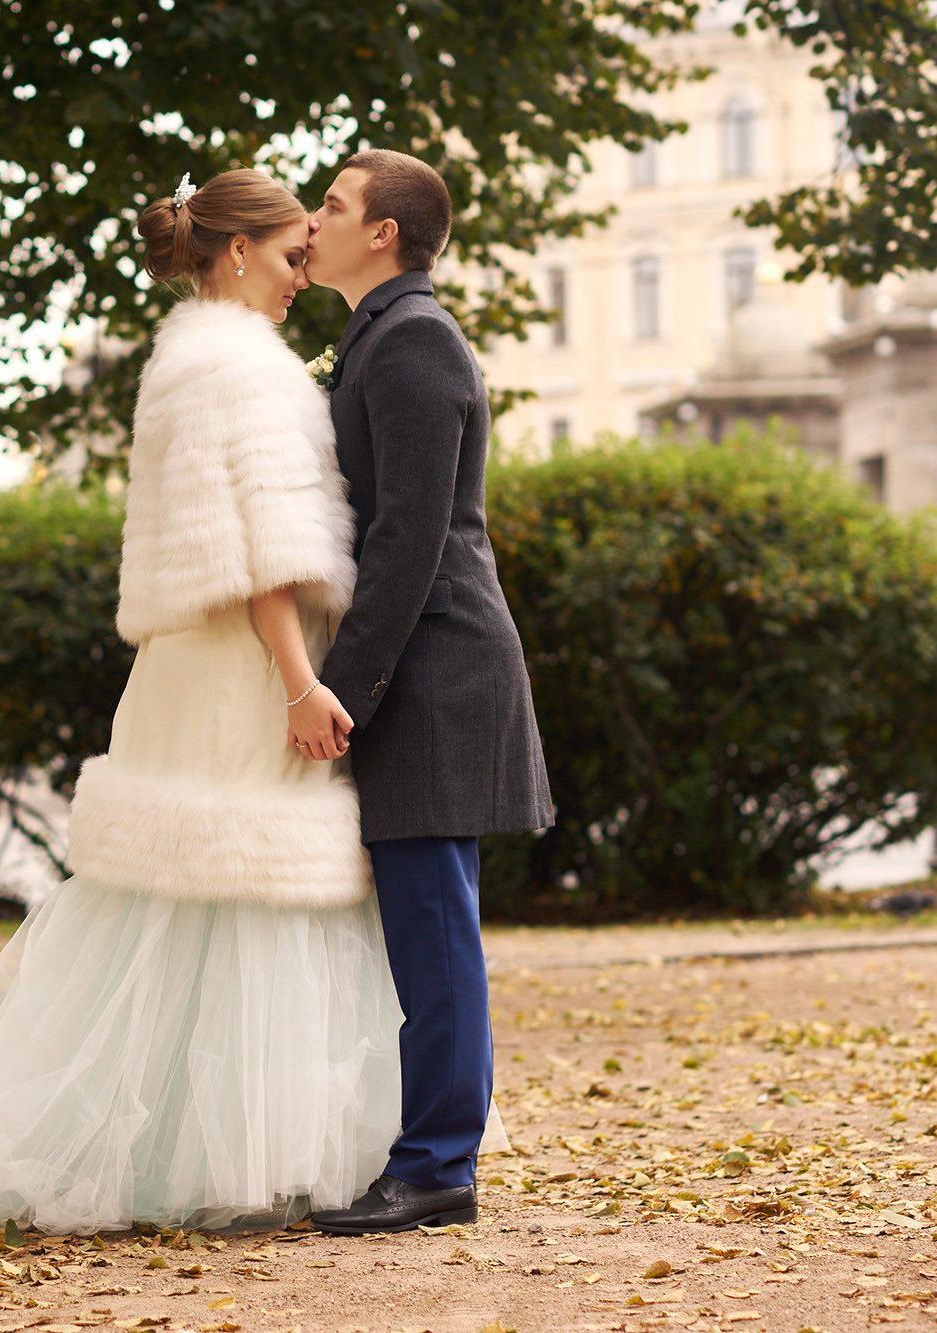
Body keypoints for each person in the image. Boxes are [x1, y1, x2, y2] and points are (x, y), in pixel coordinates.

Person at [0, 167, 403, 1233]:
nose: (297, 277)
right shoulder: (241, 370)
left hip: (192, 667)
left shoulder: (188, 361)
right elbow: (260, 551)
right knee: (237, 892)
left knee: (178, 902)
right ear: (232, 253)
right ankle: (220, 1158)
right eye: (284, 257)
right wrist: (300, 677)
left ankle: (174, 1144)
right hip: (243, 667)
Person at [297, 149, 555, 1236]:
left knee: (434, 926)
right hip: (421, 665)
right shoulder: (375, 338)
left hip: (434, 671)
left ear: (383, 234)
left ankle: (439, 1164)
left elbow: (407, 537)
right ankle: (428, 1151)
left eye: (332, 205)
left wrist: (333, 688)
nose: (312, 220)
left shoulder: (410, 342)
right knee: (422, 921)